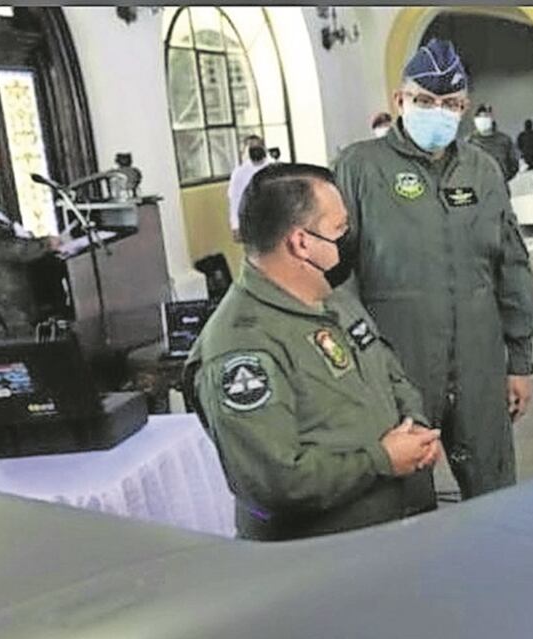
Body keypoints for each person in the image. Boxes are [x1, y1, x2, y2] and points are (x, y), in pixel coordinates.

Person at [186, 163, 444, 541]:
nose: (350, 239)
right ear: (301, 242)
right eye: (340, 230)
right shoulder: (241, 349)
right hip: (325, 559)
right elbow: (276, 481)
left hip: (397, 532)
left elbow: (390, 373)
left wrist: (416, 427)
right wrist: (382, 461)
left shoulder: (334, 299)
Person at [333, 39, 533, 500]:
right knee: (401, 499)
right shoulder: (361, 168)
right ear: (399, 101)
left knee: (494, 491)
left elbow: (511, 266)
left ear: (464, 109)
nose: (437, 112)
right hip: (395, 366)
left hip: (479, 363)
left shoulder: (483, 171)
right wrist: (354, 366)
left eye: (450, 104)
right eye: (425, 101)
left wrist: (520, 361)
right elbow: (337, 273)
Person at [0, 188, 60, 338]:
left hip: (19, 288)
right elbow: (7, 248)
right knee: (21, 343)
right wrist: (46, 244)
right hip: (6, 296)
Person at [227, 134, 271, 242]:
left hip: (274, 217)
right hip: (251, 220)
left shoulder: (274, 167)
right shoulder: (240, 173)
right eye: (252, 147)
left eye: (258, 146)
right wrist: (235, 226)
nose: (255, 150)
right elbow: (235, 200)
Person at [467, 104, 519, 181]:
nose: (483, 119)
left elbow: (514, 165)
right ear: (475, 120)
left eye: (486, 116)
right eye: (479, 117)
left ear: (492, 118)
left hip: (501, 185)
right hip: (479, 187)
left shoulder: (504, 140)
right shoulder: (469, 142)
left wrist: (503, 178)